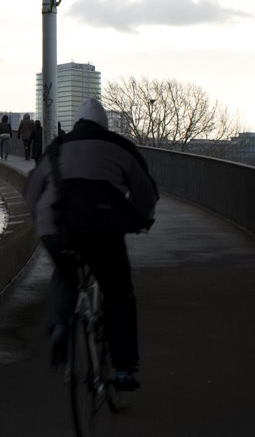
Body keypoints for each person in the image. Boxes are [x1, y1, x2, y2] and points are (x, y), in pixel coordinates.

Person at [23, 98, 158, 391]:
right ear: (104, 124)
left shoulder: (56, 148)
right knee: (118, 291)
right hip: (103, 229)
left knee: (65, 270)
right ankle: (123, 371)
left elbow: (32, 192)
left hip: (57, 226)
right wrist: (141, 219)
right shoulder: (120, 147)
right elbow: (146, 193)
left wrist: (43, 222)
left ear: (77, 123)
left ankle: (60, 326)